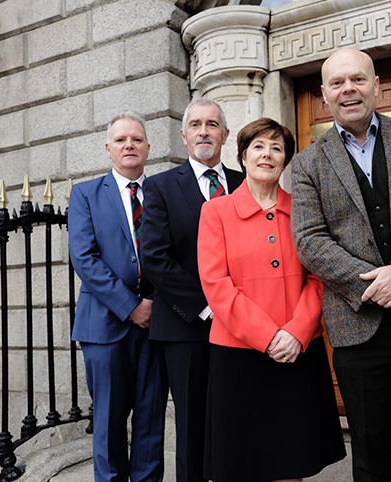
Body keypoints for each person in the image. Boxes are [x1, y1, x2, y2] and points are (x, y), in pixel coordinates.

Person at [291, 48, 391, 482]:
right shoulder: (307, 163)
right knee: (369, 444)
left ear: (376, 85)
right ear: (324, 95)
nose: (349, 90)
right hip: (356, 322)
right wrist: (376, 287)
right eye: (338, 83)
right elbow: (309, 240)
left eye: (358, 80)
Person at [197, 117, 346, 481]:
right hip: (238, 356)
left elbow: (317, 277)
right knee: (242, 464)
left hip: (297, 350)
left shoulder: (304, 209)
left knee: (291, 459)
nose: (268, 154)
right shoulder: (215, 211)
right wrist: (268, 336)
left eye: (277, 148)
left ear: (285, 160)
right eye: (258, 147)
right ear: (243, 157)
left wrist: (296, 332)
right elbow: (216, 284)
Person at [140, 98, 245, 482]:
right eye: (196, 125)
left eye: (213, 124)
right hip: (186, 327)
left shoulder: (244, 184)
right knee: (193, 423)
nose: (204, 131)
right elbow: (155, 258)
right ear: (184, 136)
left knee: (237, 419)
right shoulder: (160, 188)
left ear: (226, 135)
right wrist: (208, 305)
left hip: (242, 325)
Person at [69, 111, 166, 481]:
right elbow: (85, 258)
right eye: (122, 140)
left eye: (137, 139)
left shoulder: (162, 193)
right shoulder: (86, 194)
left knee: (150, 418)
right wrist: (131, 308)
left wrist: (157, 306)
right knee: (109, 421)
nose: (130, 145)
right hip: (105, 328)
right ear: (108, 148)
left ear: (148, 148)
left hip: (158, 324)